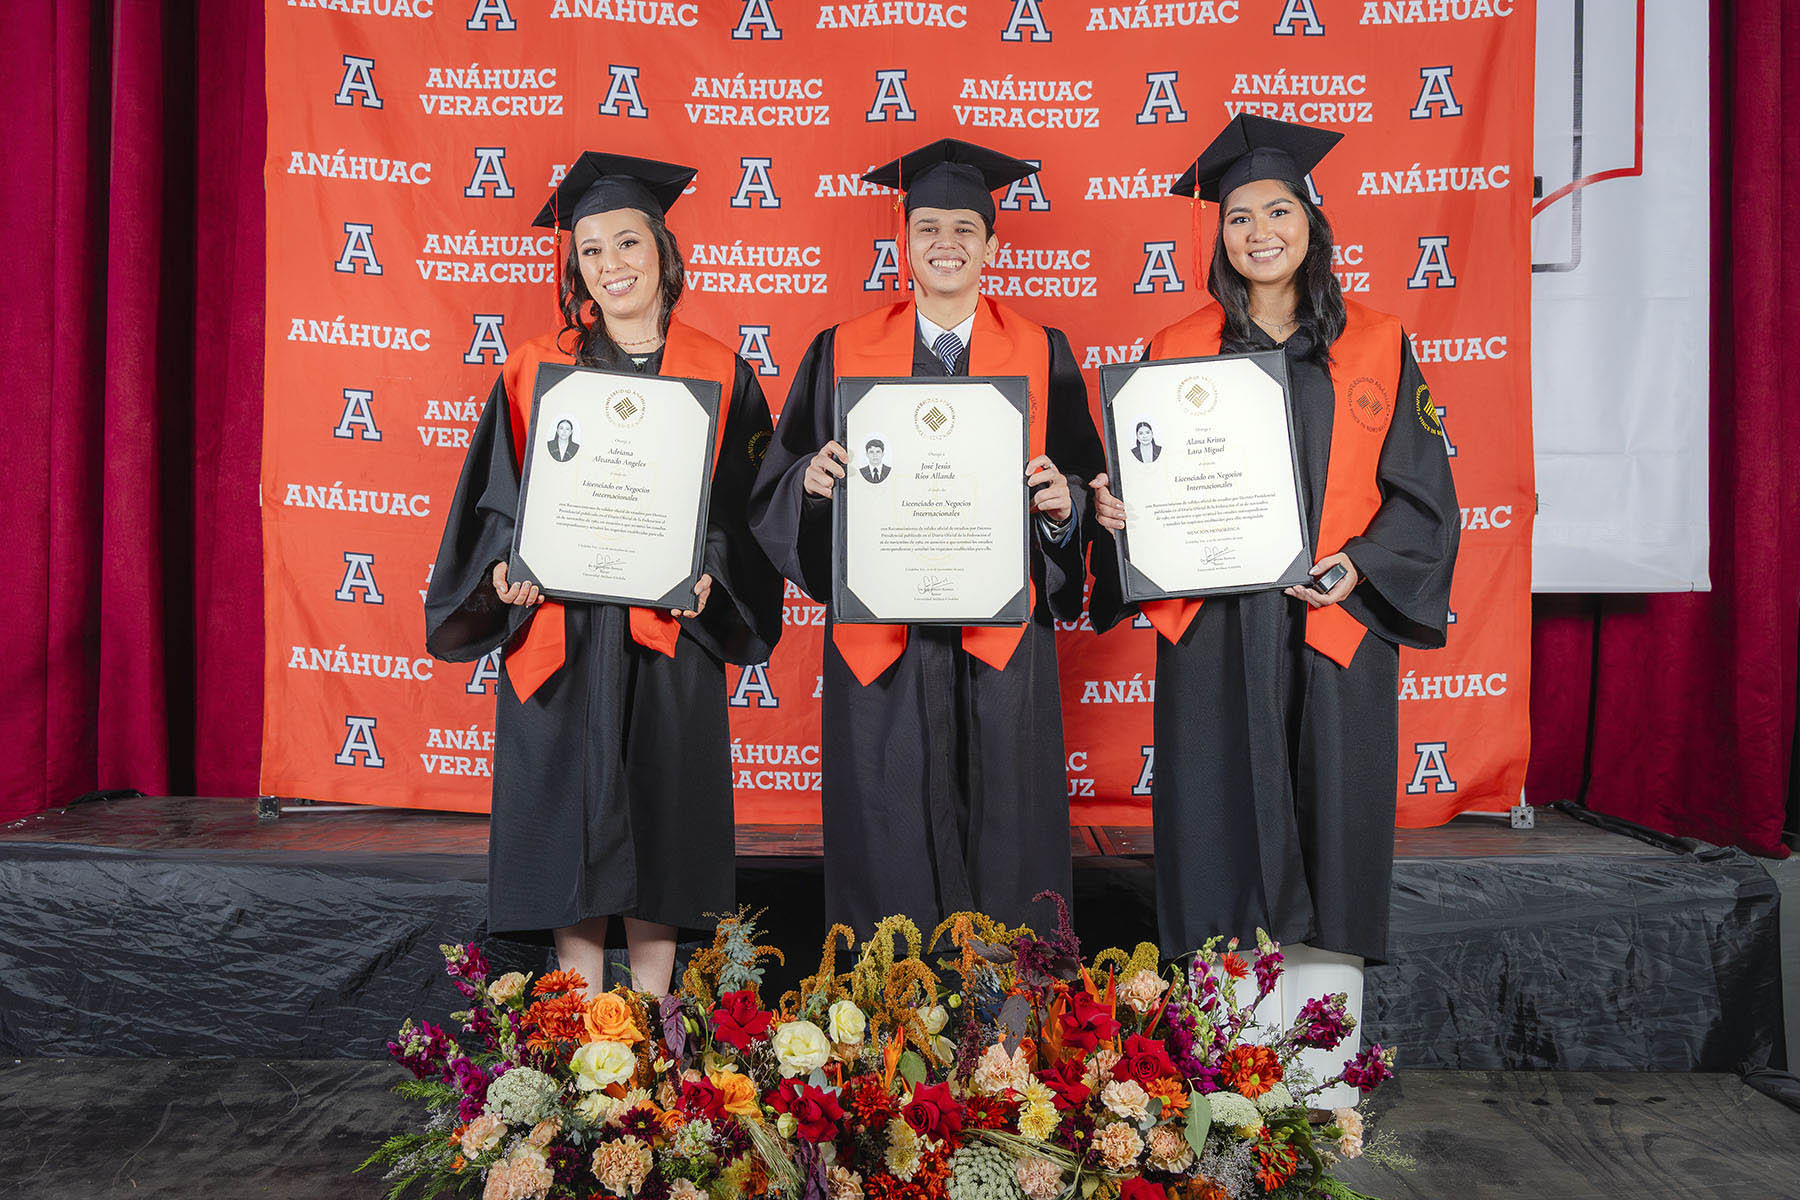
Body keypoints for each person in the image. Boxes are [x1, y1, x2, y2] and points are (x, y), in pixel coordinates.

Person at [1090, 115, 1459, 1106]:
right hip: (1215, 635)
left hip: (1335, 629)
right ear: (1218, 235)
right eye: (1240, 215)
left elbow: (1424, 495)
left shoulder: (1381, 343)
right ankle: (1221, 1082)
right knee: (1217, 835)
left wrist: (1362, 566)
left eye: (1279, 210)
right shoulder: (1176, 347)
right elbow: (1145, 488)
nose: (1260, 231)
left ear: (1312, 221)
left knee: (1332, 834)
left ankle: (1322, 1082)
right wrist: (1117, 510)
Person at [424, 152, 783, 997]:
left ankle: (657, 1019)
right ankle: (578, 1020)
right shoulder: (533, 367)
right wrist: (504, 572)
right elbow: (494, 501)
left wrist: (713, 578)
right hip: (563, 628)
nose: (612, 265)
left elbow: (745, 515)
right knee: (567, 814)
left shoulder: (722, 370)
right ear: (574, 265)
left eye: (628, 243)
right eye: (591, 250)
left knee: (661, 813)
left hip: (666, 632)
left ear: (663, 252)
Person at [749, 138, 1104, 939]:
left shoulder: (1044, 352)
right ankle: (888, 1023)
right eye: (928, 228)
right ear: (903, 244)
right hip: (885, 641)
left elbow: (1086, 480)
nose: (946, 243)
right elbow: (779, 479)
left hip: (1002, 641)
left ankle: (1014, 1026)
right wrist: (808, 483)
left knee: (1009, 824)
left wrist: (1064, 504)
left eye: (965, 229)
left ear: (992, 244)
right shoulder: (841, 350)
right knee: (887, 819)